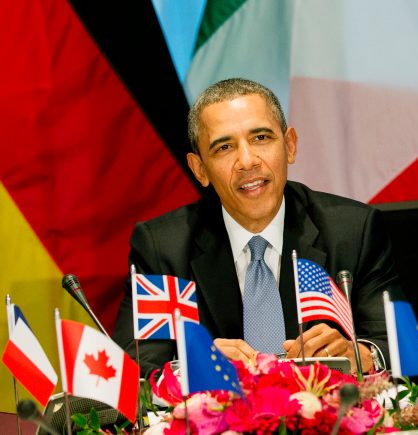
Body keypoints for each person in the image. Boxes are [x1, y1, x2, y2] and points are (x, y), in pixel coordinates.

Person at [112, 78, 401, 377]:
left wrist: (363, 355)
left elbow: (398, 345)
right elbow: (135, 370)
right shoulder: (164, 248)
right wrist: (192, 369)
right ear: (200, 169)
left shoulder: (351, 231)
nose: (247, 161)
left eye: (261, 138)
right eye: (224, 147)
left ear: (289, 146)